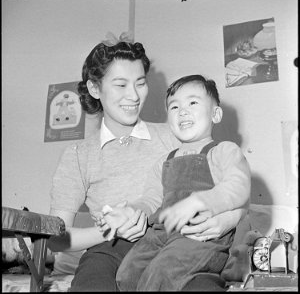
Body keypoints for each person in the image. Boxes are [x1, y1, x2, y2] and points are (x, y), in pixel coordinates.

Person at [47, 32, 248, 291]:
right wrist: (111, 230)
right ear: (94, 88)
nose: (133, 95)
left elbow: (235, 189)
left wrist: (228, 220)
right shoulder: (77, 155)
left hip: (180, 243)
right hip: (108, 252)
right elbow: (55, 239)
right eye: (121, 85)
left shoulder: (178, 136)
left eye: (140, 83)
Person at [112, 74, 251, 291]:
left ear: (215, 114)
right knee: (127, 274)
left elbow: (238, 187)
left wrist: (199, 202)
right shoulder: (164, 161)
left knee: (162, 273)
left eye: (193, 103)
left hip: (200, 237)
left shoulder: (224, 151)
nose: (182, 111)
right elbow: (151, 199)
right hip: (162, 233)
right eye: (174, 107)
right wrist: (131, 211)